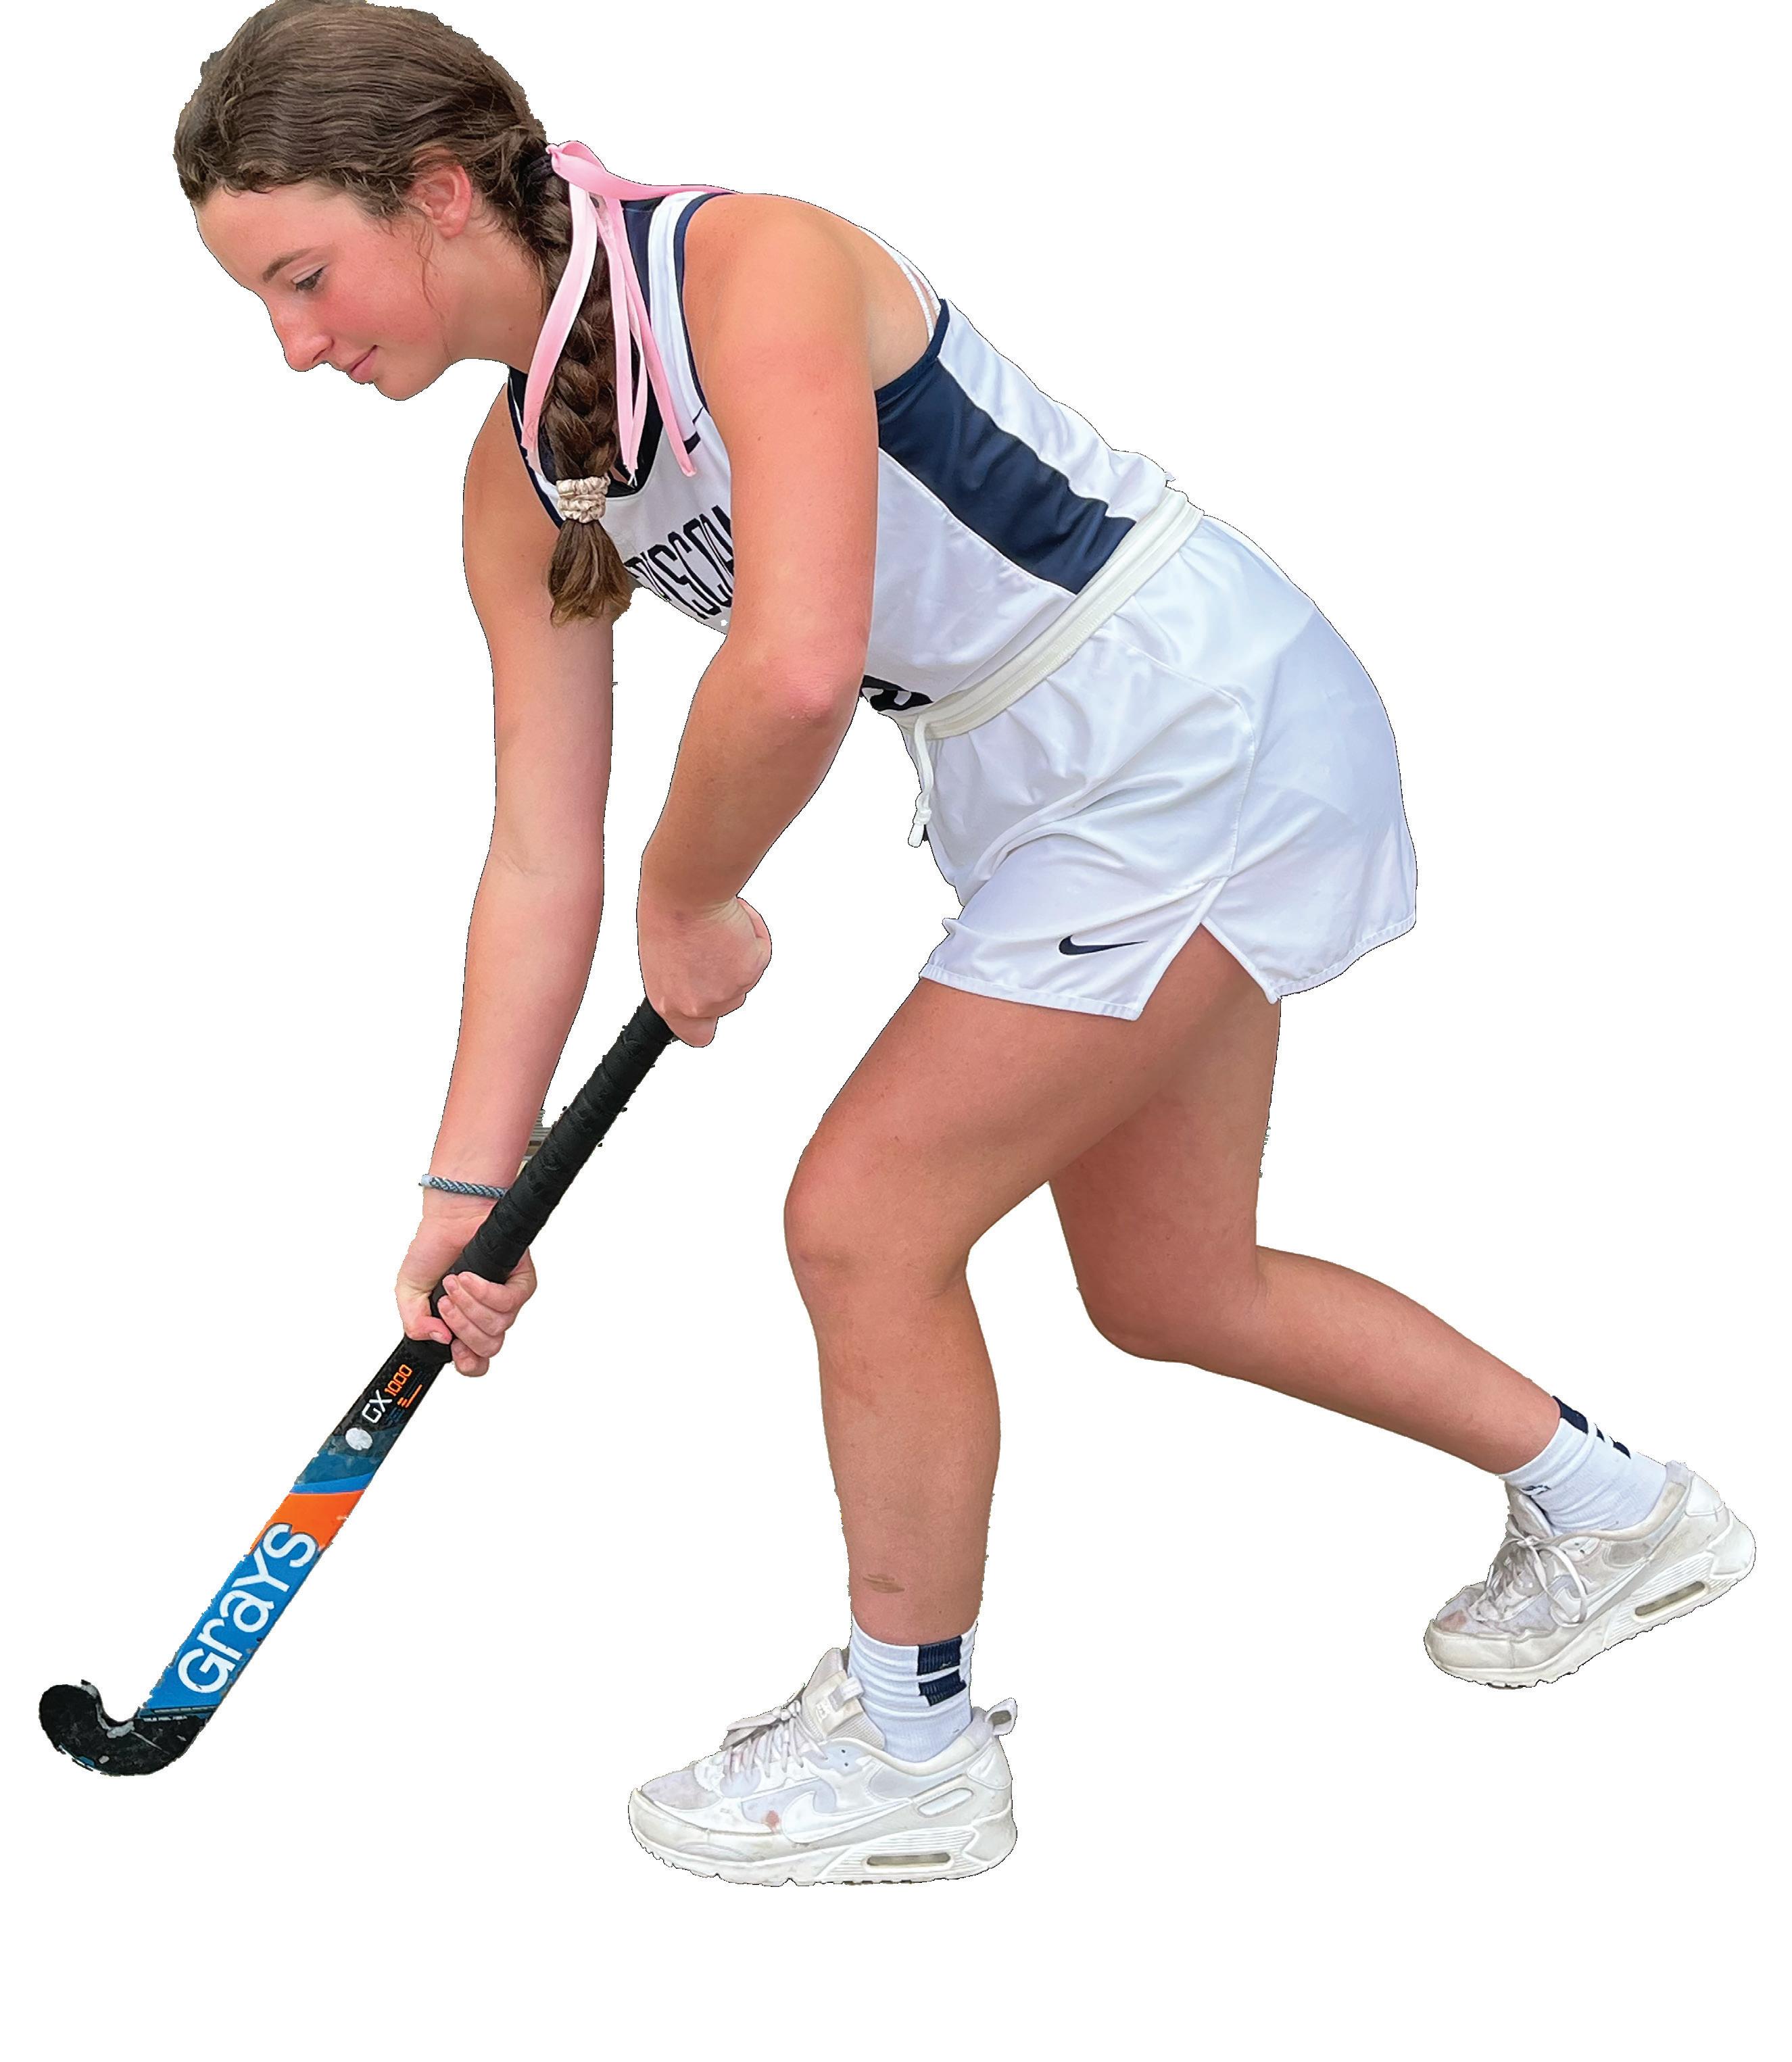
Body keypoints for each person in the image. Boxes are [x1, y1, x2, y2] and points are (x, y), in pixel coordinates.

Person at [177, 0, 1754, 1887]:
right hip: (1045, 773)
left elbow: (795, 669)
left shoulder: (751, 264)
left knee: (864, 1218)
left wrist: (689, 894)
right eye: (261, 304)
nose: (294, 346)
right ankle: (1621, 1508)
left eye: (303, 277)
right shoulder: (519, 480)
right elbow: (533, 854)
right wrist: (468, 1187)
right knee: (1169, 1283)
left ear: (438, 194)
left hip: (1186, 717)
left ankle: (911, 1738)